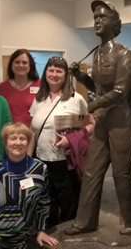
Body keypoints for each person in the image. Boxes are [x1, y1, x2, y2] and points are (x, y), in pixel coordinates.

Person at [66, 0, 131, 236]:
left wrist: (92, 105)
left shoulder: (124, 54)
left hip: (122, 121)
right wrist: (81, 77)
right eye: (95, 18)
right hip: (103, 119)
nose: (97, 22)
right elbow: (98, 87)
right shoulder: (97, 53)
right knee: (92, 170)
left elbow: (120, 91)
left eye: (102, 18)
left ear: (114, 23)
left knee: (121, 172)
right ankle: (86, 220)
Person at [0, 122, 59, 248]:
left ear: (28, 143)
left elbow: (43, 203)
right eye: (13, 138)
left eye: (22, 138)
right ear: (5, 143)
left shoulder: (39, 168)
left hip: (22, 236)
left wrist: (41, 230)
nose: (18, 142)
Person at [30, 56, 95, 228]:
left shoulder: (76, 99)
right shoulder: (39, 98)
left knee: (69, 206)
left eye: (59, 70)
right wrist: (28, 160)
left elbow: (90, 124)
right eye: (51, 70)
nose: (54, 74)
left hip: (67, 163)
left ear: (66, 75)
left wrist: (71, 139)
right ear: (45, 74)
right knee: (47, 205)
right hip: (42, 161)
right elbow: (33, 131)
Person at [0, 49, 40, 127]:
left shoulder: (41, 86)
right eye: (17, 62)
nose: (20, 65)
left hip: (34, 135)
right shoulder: (1, 88)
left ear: (30, 65)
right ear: (11, 65)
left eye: (24, 62)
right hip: (10, 135)